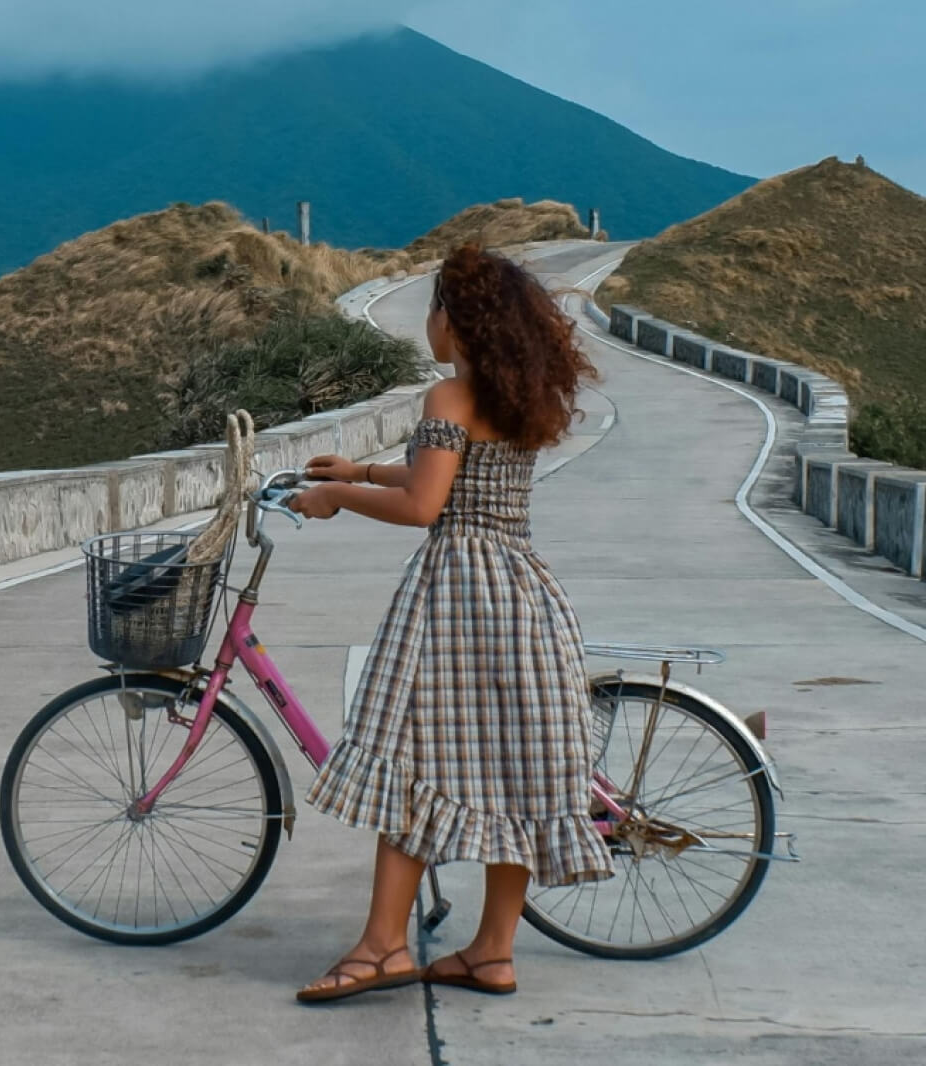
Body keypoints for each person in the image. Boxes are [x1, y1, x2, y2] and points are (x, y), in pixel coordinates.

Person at [288, 245, 612, 1004]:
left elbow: (425, 507)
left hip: (457, 599)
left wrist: (334, 502)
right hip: (524, 596)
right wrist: (360, 472)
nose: (426, 323)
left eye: (432, 308)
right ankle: (492, 953)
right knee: (523, 773)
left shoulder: (447, 398)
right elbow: (443, 478)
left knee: (409, 756)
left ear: (456, 320)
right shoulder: (520, 397)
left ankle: (381, 948)